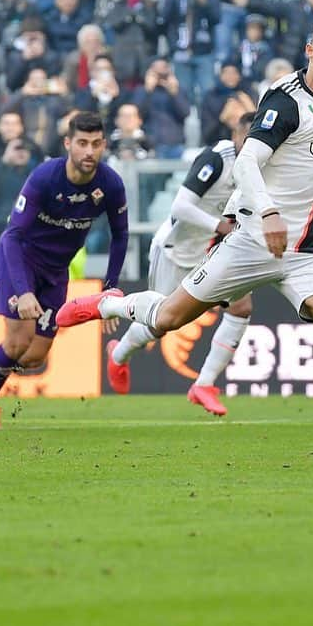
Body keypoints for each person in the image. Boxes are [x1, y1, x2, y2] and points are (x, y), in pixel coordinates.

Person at [56, 7, 313, 432]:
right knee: (168, 318)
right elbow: (248, 161)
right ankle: (108, 304)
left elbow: (307, 160)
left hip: (307, 253)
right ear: (310, 51)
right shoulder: (285, 101)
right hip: (252, 239)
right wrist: (268, 213)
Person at [0, 111, 128, 430]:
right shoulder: (45, 178)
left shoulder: (109, 184)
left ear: (104, 145)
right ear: (68, 143)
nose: (88, 151)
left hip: (56, 271)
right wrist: (23, 292)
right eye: (82, 143)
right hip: (21, 261)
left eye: (96, 144)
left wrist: (110, 290)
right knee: (16, 344)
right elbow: (12, 235)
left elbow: (120, 235)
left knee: (33, 357)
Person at [106, 111, 256, 416]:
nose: (253, 144)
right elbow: (180, 207)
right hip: (176, 249)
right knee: (159, 322)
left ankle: (204, 384)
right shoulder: (216, 158)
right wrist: (218, 226)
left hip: (213, 251)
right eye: (248, 137)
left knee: (241, 308)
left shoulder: (260, 165)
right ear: (237, 135)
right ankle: (118, 355)